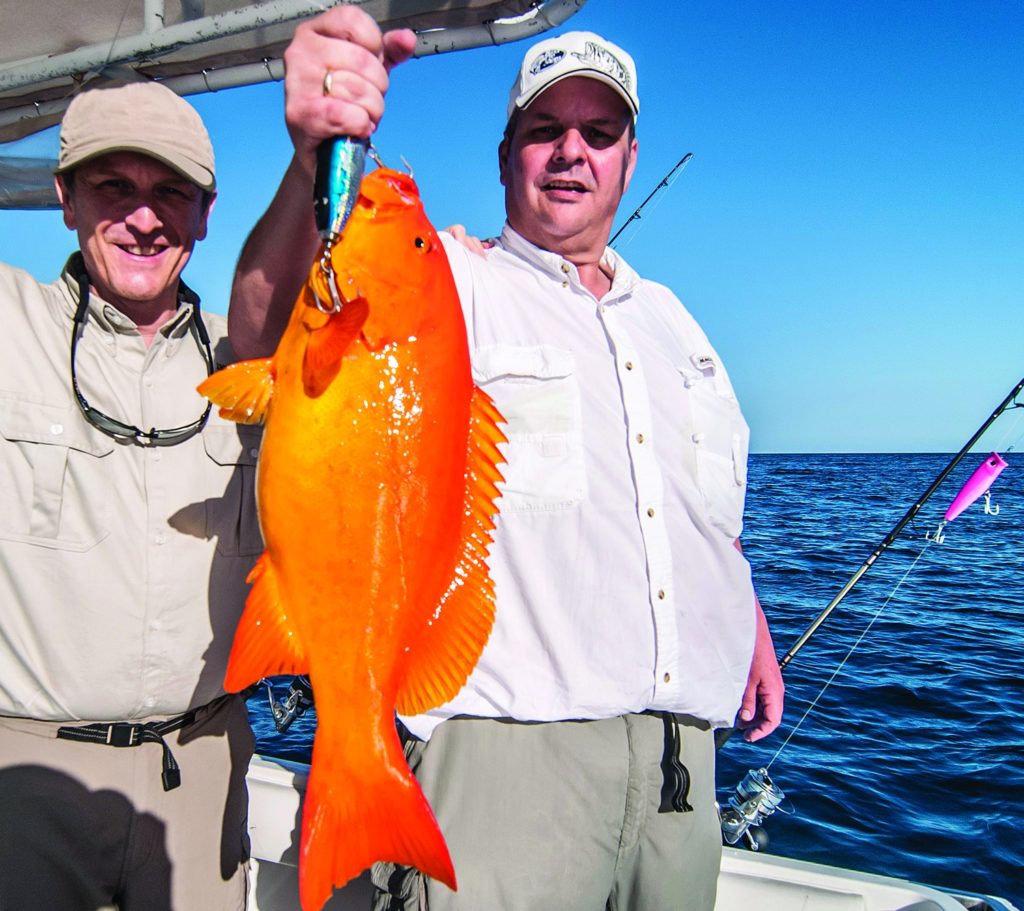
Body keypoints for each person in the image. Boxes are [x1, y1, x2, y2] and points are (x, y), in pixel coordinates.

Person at [230, 8, 785, 910]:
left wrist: (739, 611)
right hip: (514, 765)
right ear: (505, 156)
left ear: (629, 160)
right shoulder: (451, 282)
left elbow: (690, 505)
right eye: (545, 131)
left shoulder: (678, 324)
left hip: (683, 780)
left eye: (598, 133)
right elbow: (275, 327)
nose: (572, 152)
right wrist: (316, 161)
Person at [0, 80, 261, 910]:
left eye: (171, 193)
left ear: (207, 213)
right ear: (65, 197)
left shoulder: (251, 357)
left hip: (207, 766)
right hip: (29, 776)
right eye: (114, 187)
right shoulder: (12, 321)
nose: (145, 218)